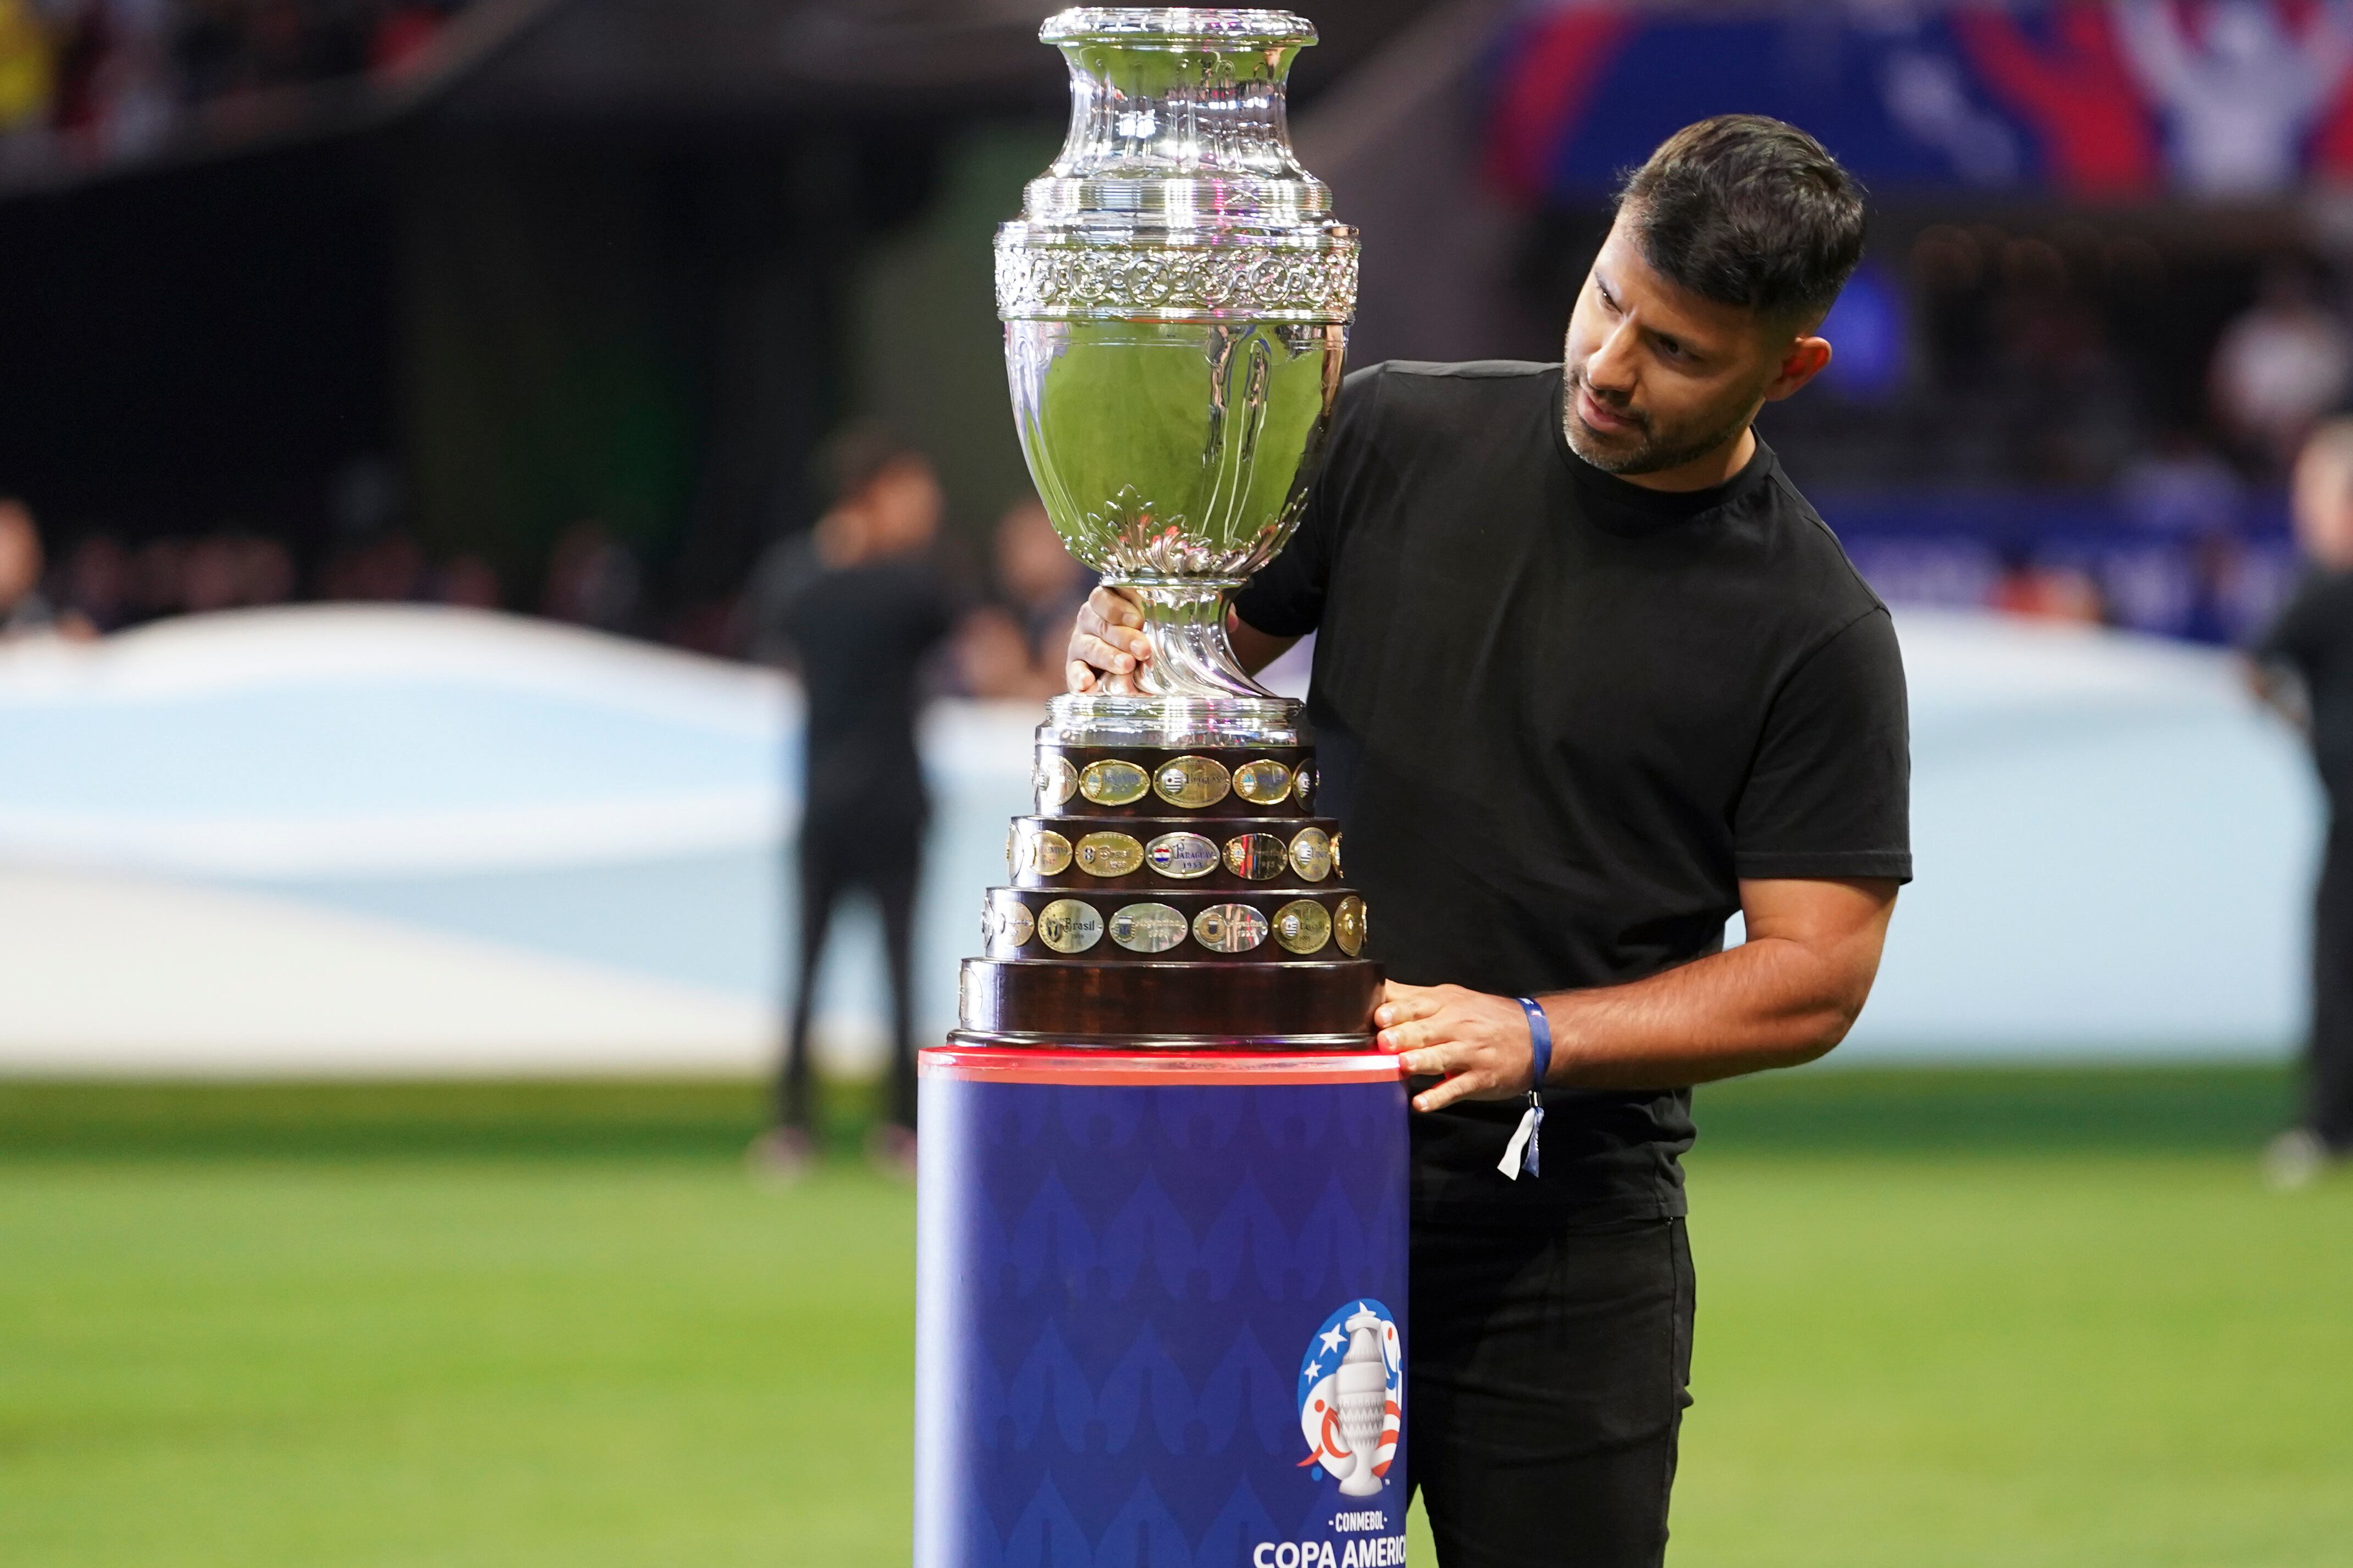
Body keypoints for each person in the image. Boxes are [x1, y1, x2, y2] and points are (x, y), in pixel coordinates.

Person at [1068, 117, 1909, 1567]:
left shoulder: (1817, 630)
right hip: (1284, 1178)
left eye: (1680, 352)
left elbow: (1818, 971)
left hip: (1563, 1240)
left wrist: (1535, 1032)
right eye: (1607, 299)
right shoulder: (1400, 429)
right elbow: (1195, 650)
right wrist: (1126, 635)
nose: (1608, 363)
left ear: (1791, 368)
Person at [744, 425, 955, 1180]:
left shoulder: (799, 580)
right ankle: (890, 1124)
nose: (925, 506)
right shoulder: (909, 587)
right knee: (876, 968)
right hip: (880, 801)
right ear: (876, 492)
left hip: (839, 800)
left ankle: (800, 1127)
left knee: (824, 966)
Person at [2249, 416, 2353, 1189]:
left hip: (2346, 813)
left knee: (2339, 965)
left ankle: (2326, 1124)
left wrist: (2305, 731)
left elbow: (2256, 671)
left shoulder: (2325, 587)